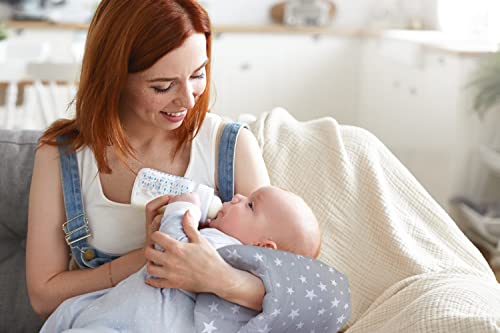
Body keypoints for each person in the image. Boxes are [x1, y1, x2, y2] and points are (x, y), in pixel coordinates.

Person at [26, 0, 270, 320]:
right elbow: (43, 296)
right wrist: (148, 258)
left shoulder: (232, 147)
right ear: (114, 76)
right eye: (162, 86)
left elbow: (283, 284)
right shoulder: (62, 156)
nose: (187, 99)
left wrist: (215, 276)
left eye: (198, 75)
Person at [39, 185, 321, 332]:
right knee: (70, 312)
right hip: (119, 314)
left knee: (72, 315)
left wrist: (183, 207)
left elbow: (173, 247)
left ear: (264, 246)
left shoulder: (227, 248)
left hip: (131, 325)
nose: (237, 195)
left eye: (250, 205)